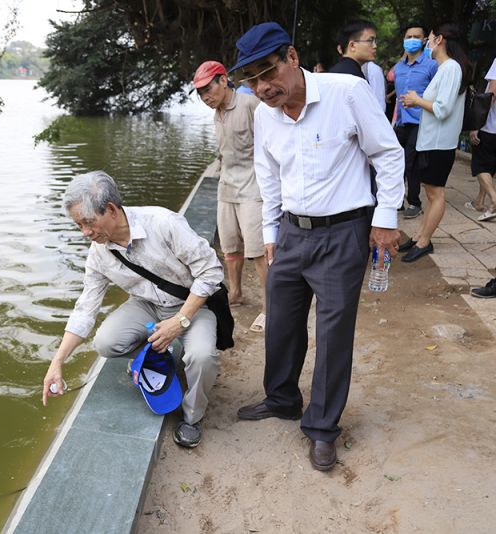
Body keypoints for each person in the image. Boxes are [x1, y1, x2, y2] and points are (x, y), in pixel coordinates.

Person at [230, 22, 404, 471]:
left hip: (343, 233)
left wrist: (385, 219)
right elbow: (268, 175)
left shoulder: (346, 93)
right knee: (281, 321)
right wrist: (271, 234)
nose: (262, 88)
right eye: (251, 80)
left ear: (292, 57)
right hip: (291, 232)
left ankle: (323, 427)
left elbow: (387, 153)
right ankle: (282, 398)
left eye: (267, 73)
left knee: (333, 333)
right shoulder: (264, 115)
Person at [42, 171, 225, 448]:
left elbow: (211, 271)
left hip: (192, 305)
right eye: (79, 225)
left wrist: (180, 320)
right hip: (146, 305)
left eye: (88, 222)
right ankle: (156, 357)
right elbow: (85, 310)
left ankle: (193, 416)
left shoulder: (163, 223)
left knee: (202, 357)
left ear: (111, 210)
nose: (85, 233)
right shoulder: (98, 254)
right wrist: (57, 362)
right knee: (105, 342)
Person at [192, 60, 268, 332]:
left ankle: (269, 307)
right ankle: (235, 292)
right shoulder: (217, 113)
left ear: (223, 80)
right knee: (230, 247)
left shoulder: (250, 105)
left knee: (258, 250)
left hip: (253, 186)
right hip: (227, 186)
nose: (205, 97)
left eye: (208, 89)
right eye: (200, 93)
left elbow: (272, 142)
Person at [399, 24, 472, 262]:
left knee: (436, 194)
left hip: (440, 143)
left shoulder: (451, 68)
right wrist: (417, 101)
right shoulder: (445, 68)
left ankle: (424, 242)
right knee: (431, 193)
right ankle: (420, 235)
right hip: (432, 141)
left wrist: (416, 100)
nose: (426, 44)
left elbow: (442, 109)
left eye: (428, 39)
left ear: (439, 40)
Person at [393, 23, 439, 219]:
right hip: (401, 122)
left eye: (416, 36)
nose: (411, 40)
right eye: (408, 36)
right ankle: (397, 201)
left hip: (420, 122)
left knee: (410, 162)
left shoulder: (432, 66)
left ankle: (414, 202)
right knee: (395, 161)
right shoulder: (399, 67)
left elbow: (438, 94)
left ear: (423, 40)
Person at [468, 57, 496, 222]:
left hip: (491, 127)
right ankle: (479, 201)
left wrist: (478, 124)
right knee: (489, 167)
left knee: (480, 166)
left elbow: (492, 92)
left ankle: (494, 200)